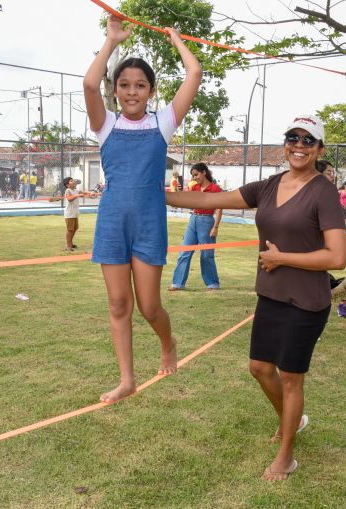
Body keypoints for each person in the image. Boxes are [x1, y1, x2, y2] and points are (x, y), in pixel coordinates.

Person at [167, 114, 346, 481]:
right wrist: (155, 193)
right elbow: (209, 198)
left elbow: (337, 257)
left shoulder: (323, 191)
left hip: (307, 301)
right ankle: (292, 420)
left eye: (307, 140)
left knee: (291, 378)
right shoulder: (268, 185)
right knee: (260, 368)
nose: (298, 145)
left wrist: (283, 258)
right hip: (271, 294)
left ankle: (287, 454)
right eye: (292, 137)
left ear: (319, 149)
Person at [83, 14, 202, 404]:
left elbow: (194, 73)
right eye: (124, 85)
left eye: (140, 86)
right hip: (112, 224)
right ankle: (126, 379)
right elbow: (88, 83)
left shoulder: (163, 122)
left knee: (150, 307)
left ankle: (168, 343)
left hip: (149, 226)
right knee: (119, 304)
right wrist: (111, 42)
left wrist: (177, 41)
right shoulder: (106, 124)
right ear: (115, 90)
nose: (132, 92)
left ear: (151, 91)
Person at [168, 163, 223, 291]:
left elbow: (220, 209)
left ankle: (213, 283)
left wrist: (216, 227)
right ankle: (178, 283)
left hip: (207, 221)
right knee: (184, 251)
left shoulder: (215, 189)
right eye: (193, 175)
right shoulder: (195, 188)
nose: (195, 178)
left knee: (206, 254)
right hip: (193, 220)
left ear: (204, 172)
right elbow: (186, 200)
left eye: (196, 174)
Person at [62, 176, 97, 251]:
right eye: (71, 181)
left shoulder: (76, 190)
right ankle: (68, 245)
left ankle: (71, 243)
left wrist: (91, 193)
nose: (74, 181)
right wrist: (78, 195)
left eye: (73, 180)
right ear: (68, 185)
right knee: (70, 229)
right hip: (69, 214)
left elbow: (84, 192)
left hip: (74, 213)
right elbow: (69, 199)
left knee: (75, 228)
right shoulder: (68, 190)